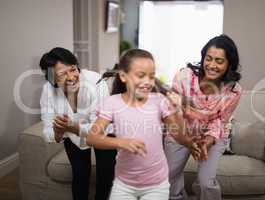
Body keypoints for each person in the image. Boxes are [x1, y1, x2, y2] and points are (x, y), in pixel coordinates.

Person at [86, 49, 200, 200]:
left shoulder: (160, 101)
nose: (148, 82)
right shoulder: (112, 103)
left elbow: (179, 136)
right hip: (124, 184)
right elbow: (91, 138)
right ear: (123, 76)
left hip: (156, 185)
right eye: (141, 76)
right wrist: (121, 142)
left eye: (152, 76)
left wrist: (177, 111)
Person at [165, 34, 242, 200]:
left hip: (212, 134)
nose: (212, 65)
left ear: (229, 64)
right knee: (170, 176)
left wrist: (207, 141)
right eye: (209, 58)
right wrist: (188, 141)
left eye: (219, 61)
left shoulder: (234, 90)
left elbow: (221, 121)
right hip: (181, 131)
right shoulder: (184, 77)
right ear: (203, 58)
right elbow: (172, 111)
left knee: (206, 182)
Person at [39, 47, 116, 200]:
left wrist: (72, 127)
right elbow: (47, 131)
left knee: (106, 176)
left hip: (104, 131)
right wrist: (58, 131)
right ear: (52, 78)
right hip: (73, 136)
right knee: (80, 175)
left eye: (73, 69)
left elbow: (99, 128)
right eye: (62, 74)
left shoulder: (96, 82)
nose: (71, 77)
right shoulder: (48, 91)